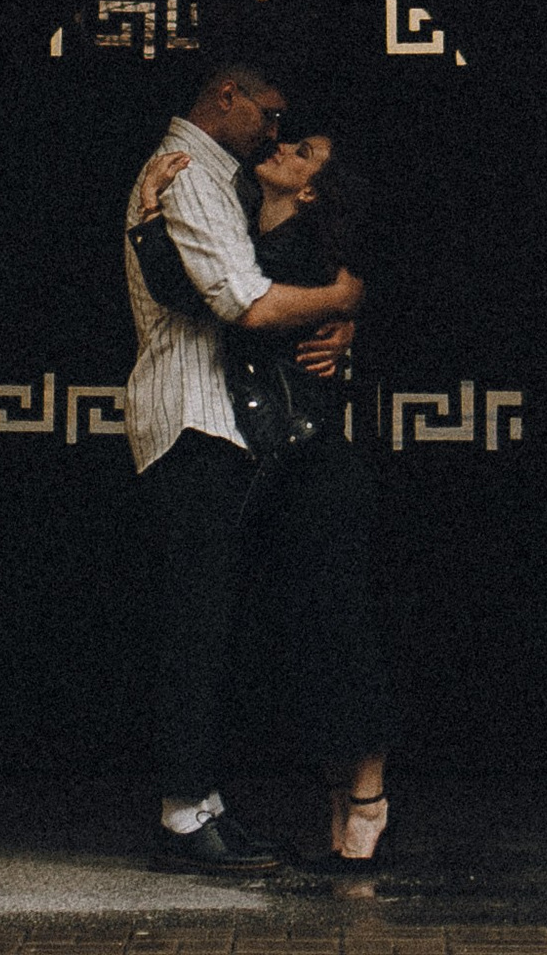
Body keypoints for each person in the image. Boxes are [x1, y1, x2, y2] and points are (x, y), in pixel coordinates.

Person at [122, 59, 363, 879]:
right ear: (226, 96)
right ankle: (184, 816)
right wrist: (346, 299)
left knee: (212, 620)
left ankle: (203, 806)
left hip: (220, 423)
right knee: (195, 622)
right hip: (193, 422)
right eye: (268, 113)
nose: (274, 131)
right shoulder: (187, 173)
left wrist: (348, 321)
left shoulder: (217, 180)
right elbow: (243, 302)